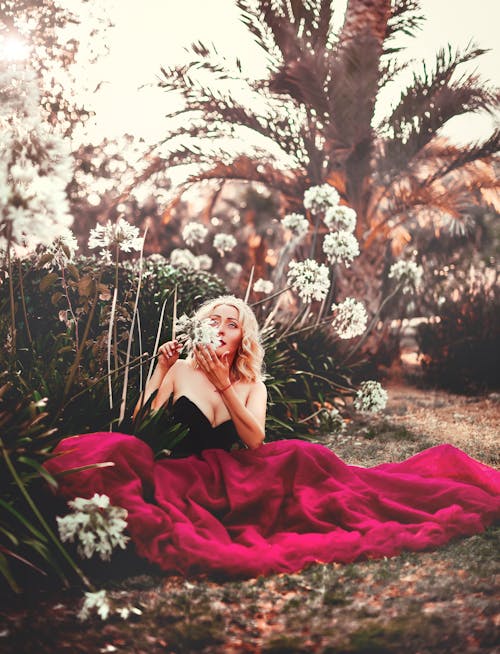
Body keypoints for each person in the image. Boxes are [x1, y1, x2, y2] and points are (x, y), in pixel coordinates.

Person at [46, 295, 500, 579]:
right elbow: (136, 425)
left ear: (243, 335)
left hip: (233, 472)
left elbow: (254, 441)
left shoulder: (251, 383)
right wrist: (160, 370)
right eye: (214, 321)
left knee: (309, 463)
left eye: (231, 322)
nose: (221, 328)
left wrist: (225, 383)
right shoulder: (181, 369)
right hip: (179, 476)